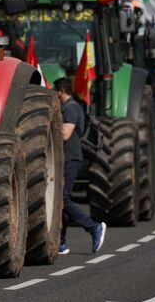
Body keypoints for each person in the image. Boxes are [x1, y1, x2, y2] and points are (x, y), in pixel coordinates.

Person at [54, 77, 106, 255]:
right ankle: (61, 242)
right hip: (66, 158)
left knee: (62, 198)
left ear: (61, 91)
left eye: (55, 92)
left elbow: (65, 134)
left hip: (71, 158)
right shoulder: (68, 107)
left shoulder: (71, 108)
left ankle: (93, 227)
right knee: (61, 199)